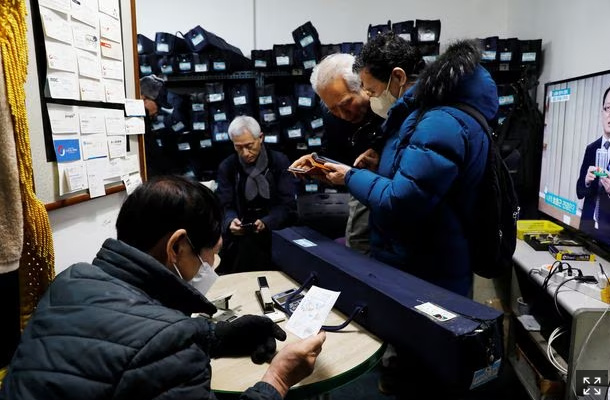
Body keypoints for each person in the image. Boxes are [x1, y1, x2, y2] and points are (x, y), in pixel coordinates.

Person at [0, 175, 326, 400]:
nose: (212, 265)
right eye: (211, 254)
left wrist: (214, 336)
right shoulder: (172, 349)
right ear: (177, 248)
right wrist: (278, 379)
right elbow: (153, 344)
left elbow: (120, 341)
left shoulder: (71, 281)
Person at [293, 34, 497, 297]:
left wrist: (351, 176)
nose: (368, 97)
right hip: (412, 261)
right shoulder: (414, 115)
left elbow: (404, 199)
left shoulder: (439, 121)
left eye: (371, 90)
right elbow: (418, 175)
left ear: (398, 77)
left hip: (430, 271)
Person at [309, 53, 385, 254]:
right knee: (358, 241)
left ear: (363, 85)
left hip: (391, 183)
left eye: (346, 104)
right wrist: (319, 168)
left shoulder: (387, 105)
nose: (343, 115)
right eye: (333, 109)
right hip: (359, 183)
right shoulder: (332, 117)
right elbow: (338, 158)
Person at [216, 116, 297, 273]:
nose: (245, 153)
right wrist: (230, 221)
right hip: (242, 232)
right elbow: (225, 204)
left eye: (249, 146)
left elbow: (287, 204)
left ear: (260, 138)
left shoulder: (279, 162)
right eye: (239, 147)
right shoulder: (228, 166)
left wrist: (267, 222)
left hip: (276, 229)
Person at [140, 75, 197, 178]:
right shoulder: (137, 123)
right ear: (143, 99)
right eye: (157, 104)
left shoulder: (145, 121)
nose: (158, 110)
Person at [576, 86, 610, 239]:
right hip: (586, 231)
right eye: (608, 108)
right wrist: (586, 181)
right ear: (602, 112)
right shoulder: (591, 148)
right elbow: (579, 191)